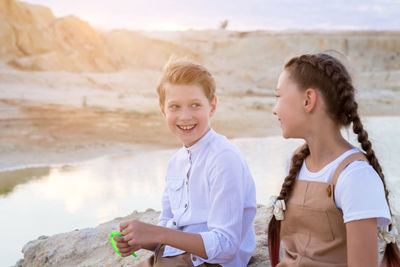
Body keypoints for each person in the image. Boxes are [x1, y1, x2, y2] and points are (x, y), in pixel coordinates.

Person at [113, 59, 257, 267]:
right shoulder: (176, 163)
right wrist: (140, 240)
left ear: (212, 106)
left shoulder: (224, 158)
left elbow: (225, 246)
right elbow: (168, 230)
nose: (185, 116)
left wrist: (155, 232)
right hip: (173, 257)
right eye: (175, 107)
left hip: (209, 263)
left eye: (195, 105)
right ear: (163, 110)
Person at [267, 53, 400, 267]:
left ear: (308, 100)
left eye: (279, 96)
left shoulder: (356, 178)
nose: (275, 109)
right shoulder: (295, 162)